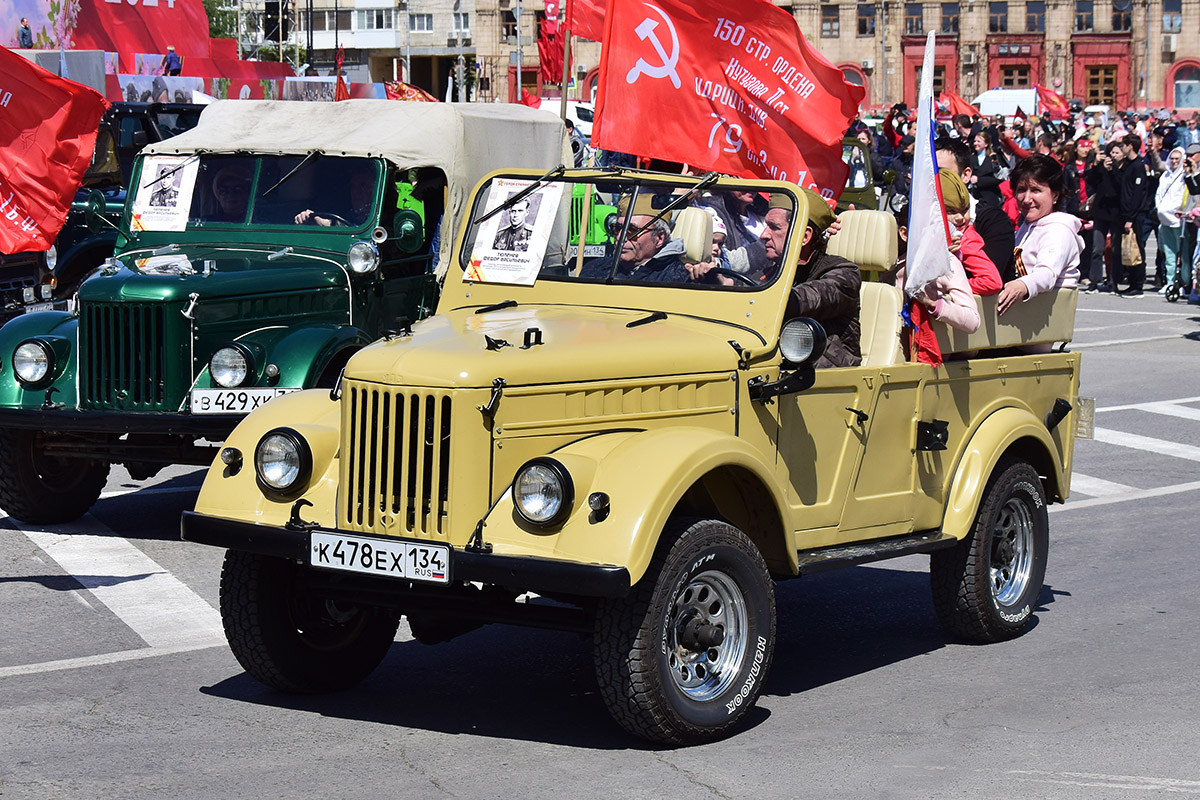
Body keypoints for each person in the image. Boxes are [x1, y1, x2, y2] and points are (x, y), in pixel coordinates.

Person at [771, 189, 861, 368]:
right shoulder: (770, 270)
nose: (764, 234)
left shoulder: (844, 273)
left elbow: (809, 299)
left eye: (774, 227)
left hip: (829, 382)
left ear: (804, 237)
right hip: (779, 371)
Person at [997, 154, 1083, 316]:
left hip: (1041, 322)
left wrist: (1022, 285)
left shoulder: (1058, 230)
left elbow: (1047, 273)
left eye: (1036, 190)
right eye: (1021, 190)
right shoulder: (1028, 226)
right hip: (1022, 316)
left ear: (1055, 195)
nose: (1027, 199)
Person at [935, 137, 1016, 281]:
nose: (933, 180)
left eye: (942, 173)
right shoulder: (918, 218)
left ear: (966, 175)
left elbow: (989, 282)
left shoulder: (993, 221)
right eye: (927, 174)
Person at [579, 194, 690, 283]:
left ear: (659, 238)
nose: (620, 237)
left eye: (632, 230)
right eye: (616, 228)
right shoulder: (593, 268)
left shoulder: (678, 278)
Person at [1118, 134, 1153, 295]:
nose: (1122, 148)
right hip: (1126, 213)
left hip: (1136, 215)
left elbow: (1138, 194)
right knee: (1129, 249)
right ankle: (1131, 281)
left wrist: (1130, 218)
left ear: (1130, 146)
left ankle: (1138, 283)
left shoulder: (1138, 166)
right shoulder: (1128, 165)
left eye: (1123, 145)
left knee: (1137, 248)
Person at [295, 166, 376, 227]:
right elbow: (340, 224)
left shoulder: (379, 217)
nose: (357, 192)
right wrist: (308, 218)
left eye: (364, 186)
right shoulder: (351, 214)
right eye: (353, 187)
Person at [1155, 146, 1187, 294]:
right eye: (1172, 159)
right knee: (1168, 253)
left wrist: (1171, 210)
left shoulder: (1184, 176)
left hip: (1178, 220)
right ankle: (1169, 281)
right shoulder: (1165, 176)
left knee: (1182, 254)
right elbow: (1159, 195)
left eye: (1177, 159)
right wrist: (1160, 208)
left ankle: (1181, 283)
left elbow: (1181, 198)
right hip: (1164, 219)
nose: (1174, 162)